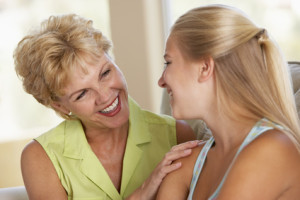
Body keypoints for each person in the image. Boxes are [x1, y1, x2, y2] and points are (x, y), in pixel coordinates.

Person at [13, 14, 197, 200]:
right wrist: (142, 193)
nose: (105, 96)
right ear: (59, 106)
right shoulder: (41, 157)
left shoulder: (177, 135)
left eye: (105, 73)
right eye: (82, 93)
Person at [156, 4, 300, 199]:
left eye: (168, 62)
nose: (161, 81)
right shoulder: (189, 162)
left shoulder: (272, 149)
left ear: (205, 67)